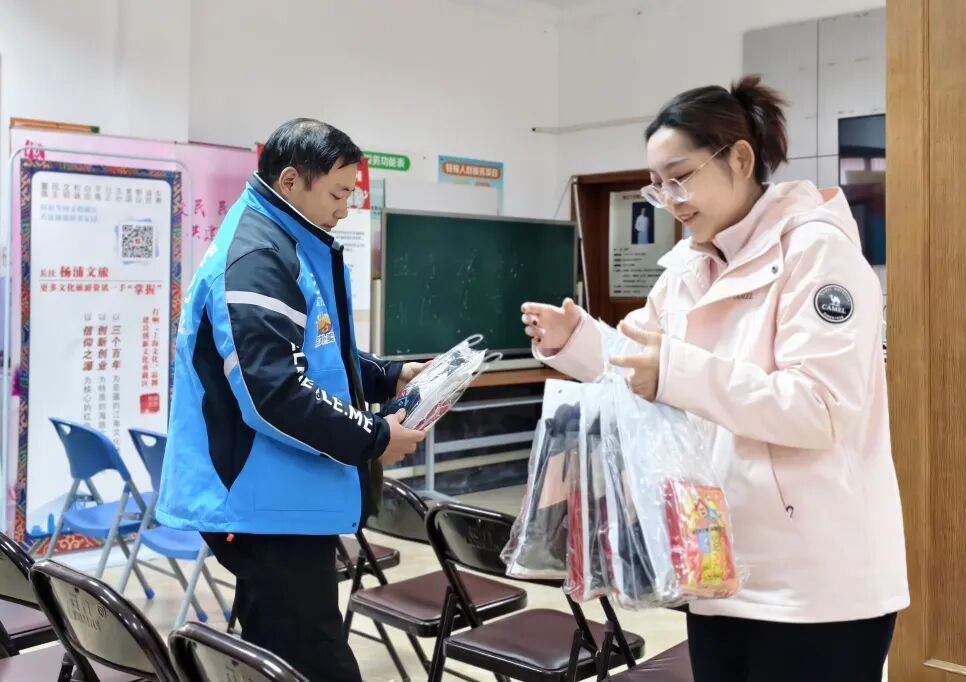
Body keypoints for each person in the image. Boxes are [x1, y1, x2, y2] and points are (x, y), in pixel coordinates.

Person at [521, 76, 908, 682]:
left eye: (680, 177)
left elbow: (821, 409)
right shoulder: (686, 267)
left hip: (814, 584)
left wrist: (674, 372)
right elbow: (640, 358)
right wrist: (578, 341)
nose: (670, 199)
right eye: (658, 185)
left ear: (741, 159)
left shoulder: (817, 253)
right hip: (713, 564)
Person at [158, 118, 426, 681]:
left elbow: (313, 355)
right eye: (337, 193)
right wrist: (375, 438)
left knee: (283, 649)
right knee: (311, 660)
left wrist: (387, 376)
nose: (345, 209)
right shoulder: (259, 255)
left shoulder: (283, 240)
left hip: (282, 493)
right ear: (289, 181)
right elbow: (275, 392)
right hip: (263, 499)